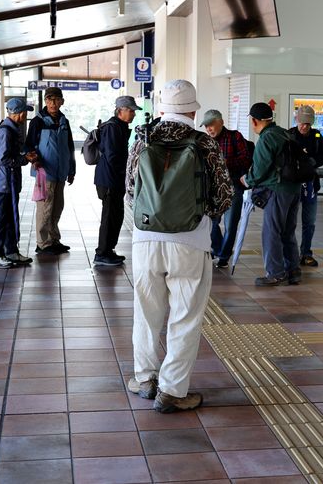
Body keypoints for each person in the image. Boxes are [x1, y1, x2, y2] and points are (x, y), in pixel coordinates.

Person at [125, 79, 232, 413]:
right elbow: (224, 196)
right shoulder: (204, 143)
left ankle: (145, 379)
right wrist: (198, 213)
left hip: (145, 239)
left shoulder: (142, 139)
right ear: (193, 111)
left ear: (161, 109)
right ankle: (171, 390)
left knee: (146, 313)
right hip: (191, 241)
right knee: (185, 317)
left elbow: (130, 189)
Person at [241, 102, 301, 286]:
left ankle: (275, 273)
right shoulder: (284, 133)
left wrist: (247, 180)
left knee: (271, 232)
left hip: (277, 190)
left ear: (254, 121)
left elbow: (259, 170)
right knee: (288, 231)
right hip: (294, 188)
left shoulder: (266, 138)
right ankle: (293, 270)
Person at [25, 86, 76, 255]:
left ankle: (54, 240)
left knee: (57, 208)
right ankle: (43, 243)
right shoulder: (38, 121)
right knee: (45, 209)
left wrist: (71, 170)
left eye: (56, 100)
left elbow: (70, 147)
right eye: (49, 100)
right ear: (45, 101)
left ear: (62, 101)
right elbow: (28, 146)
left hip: (61, 172)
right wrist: (35, 160)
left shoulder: (64, 121)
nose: (53, 103)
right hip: (44, 173)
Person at [93, 96, 142, 267]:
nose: (133, 114)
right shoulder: (113, 128)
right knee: (109, 217)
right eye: (131, 111)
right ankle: (102, 253)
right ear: (120, 111)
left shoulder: (119, 126)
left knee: (116, 215)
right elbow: (113, 156)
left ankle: (108, 250)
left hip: (113, 178)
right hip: (109, 180)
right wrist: (127, 168)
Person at [0, 98, 37, 269]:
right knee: (0, 219)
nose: (25, 115)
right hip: (4, 183)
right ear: (19, 113)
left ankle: (11, 251)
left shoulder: (12, 129)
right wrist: (24, 159)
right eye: (24, 112)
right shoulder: (6, 131)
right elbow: (2, 159)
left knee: (10, 218)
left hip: (10, 182)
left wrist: (24, 156)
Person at [202, 109, 252, 268]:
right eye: (206, 126)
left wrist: (224, 163)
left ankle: (223, 256)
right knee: (211, 222)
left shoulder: (235, 137)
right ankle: (218, 249)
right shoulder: (205, 141)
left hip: (233, 186)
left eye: (211, 125)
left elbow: (246, 159)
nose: (209, 129)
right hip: (212, 188)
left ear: (221, 122)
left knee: (231, 225)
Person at [288, 105, 323, 267]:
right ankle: (290, 254)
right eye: (302, 123)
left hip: (311, 184)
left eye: (307, 124)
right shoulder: (289, 135)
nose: (304, 127)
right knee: (289, 222)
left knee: (309, 221)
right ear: (296, 120)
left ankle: (306, 253)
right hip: (292, 185)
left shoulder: (317, 136)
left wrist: (313, 162)